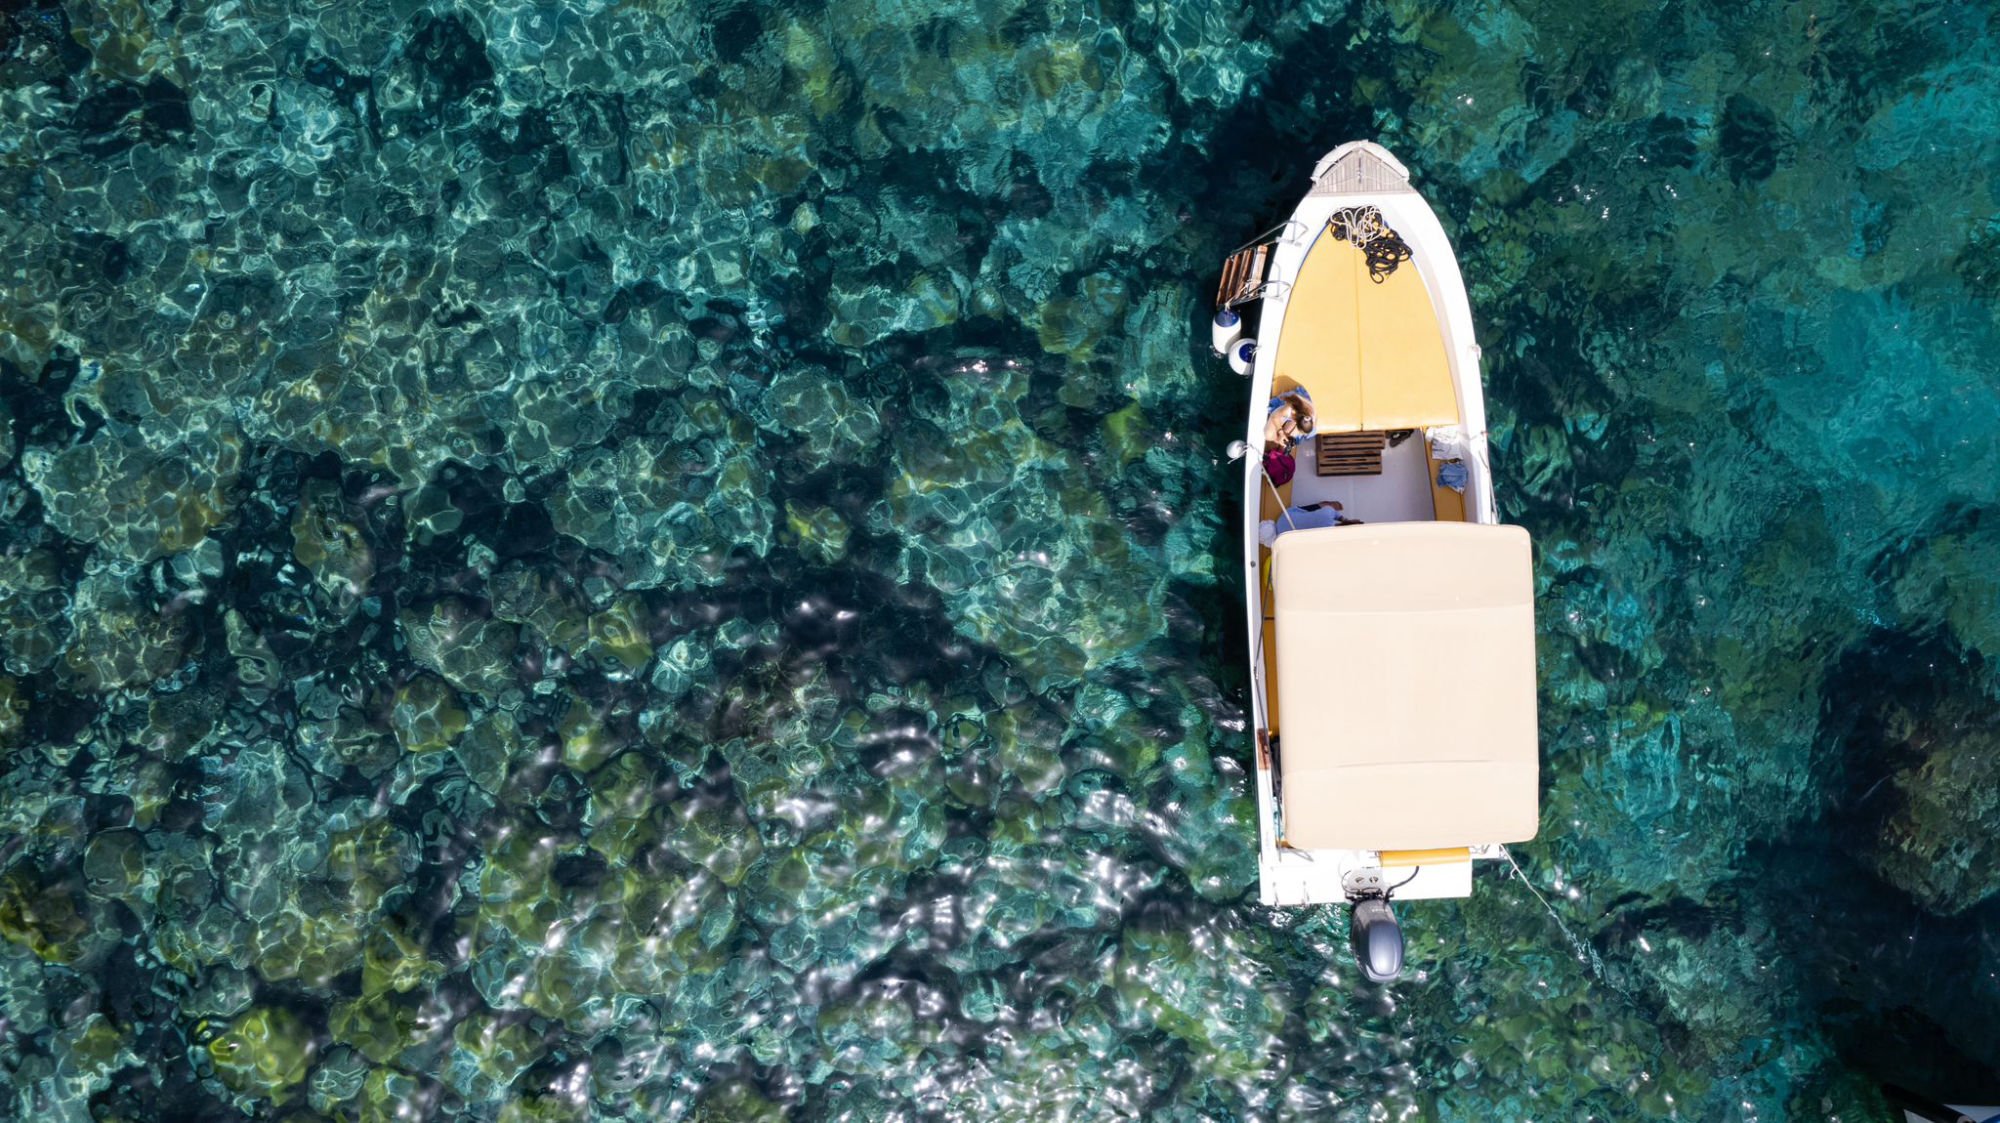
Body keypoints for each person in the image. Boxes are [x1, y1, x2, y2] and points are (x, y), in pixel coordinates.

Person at [1258, 500, 1359, 546]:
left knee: (1318, 517)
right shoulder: (1283, 516)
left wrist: (1344, 521)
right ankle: (1323, 506)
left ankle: (1324, 507)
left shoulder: (1283, 538)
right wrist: (1345, 521)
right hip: (1285, 535)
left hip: (1287, 518)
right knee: (1312, 515)